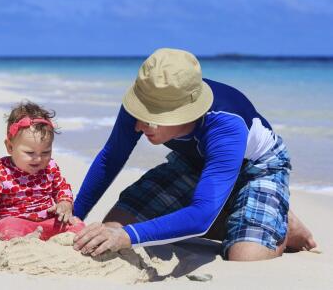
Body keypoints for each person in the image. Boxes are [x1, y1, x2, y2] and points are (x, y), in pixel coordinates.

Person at [72, 48, 316, 261]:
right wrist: (73, 220)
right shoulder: (145, 97)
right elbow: (110, 158)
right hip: (192, 162)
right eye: (141, 112)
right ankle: (235, 214)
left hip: (257, 167)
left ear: (186, 113)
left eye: (153, 117)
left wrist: (128, 237)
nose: (138, 125)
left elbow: (200, 218)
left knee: (245, 256)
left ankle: (280, 224)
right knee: (111, 228)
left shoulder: (225, 125)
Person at [0, 101, 85, 241]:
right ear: (10, 147)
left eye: (45, 152)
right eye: (30, 152)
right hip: (15, 222)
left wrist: (65, 202)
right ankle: (24, 241)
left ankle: (44, 237)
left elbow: (62, 187)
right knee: (4, 228)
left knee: (77, 225)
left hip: (46, 222)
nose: (38, 159)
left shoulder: (50, 167)